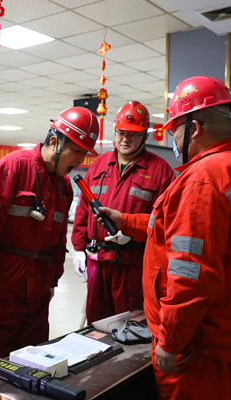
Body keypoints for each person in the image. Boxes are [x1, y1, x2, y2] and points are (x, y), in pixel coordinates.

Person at [98, 76, 231, 399]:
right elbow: (180, 229)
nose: (173, 141)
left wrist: (171, 340)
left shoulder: (203, 179)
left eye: (174, 131)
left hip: (203, 350)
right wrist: (126, 220)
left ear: (194, 129)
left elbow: (191, 272)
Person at [0, 107, 99, 369]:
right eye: (76, 151)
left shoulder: (63, 185)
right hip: (0, 289)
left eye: (84, 153)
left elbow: (58, 240)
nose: (80, 160)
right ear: (54, 142)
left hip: (37, 294)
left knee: (32, 364)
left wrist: (52, 280)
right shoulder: (13, 167)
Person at [71, 101, 174, 325]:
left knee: (129, 325)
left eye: (132, 134)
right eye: (121, 133)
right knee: (97, 323)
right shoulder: (99, 164)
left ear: (145, 137)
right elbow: (83, 208)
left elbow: (167, 222)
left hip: (132, 265)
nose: (125, 139)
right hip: (98, 262)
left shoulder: (160, 171)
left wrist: (132, 232)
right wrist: (78, 248)